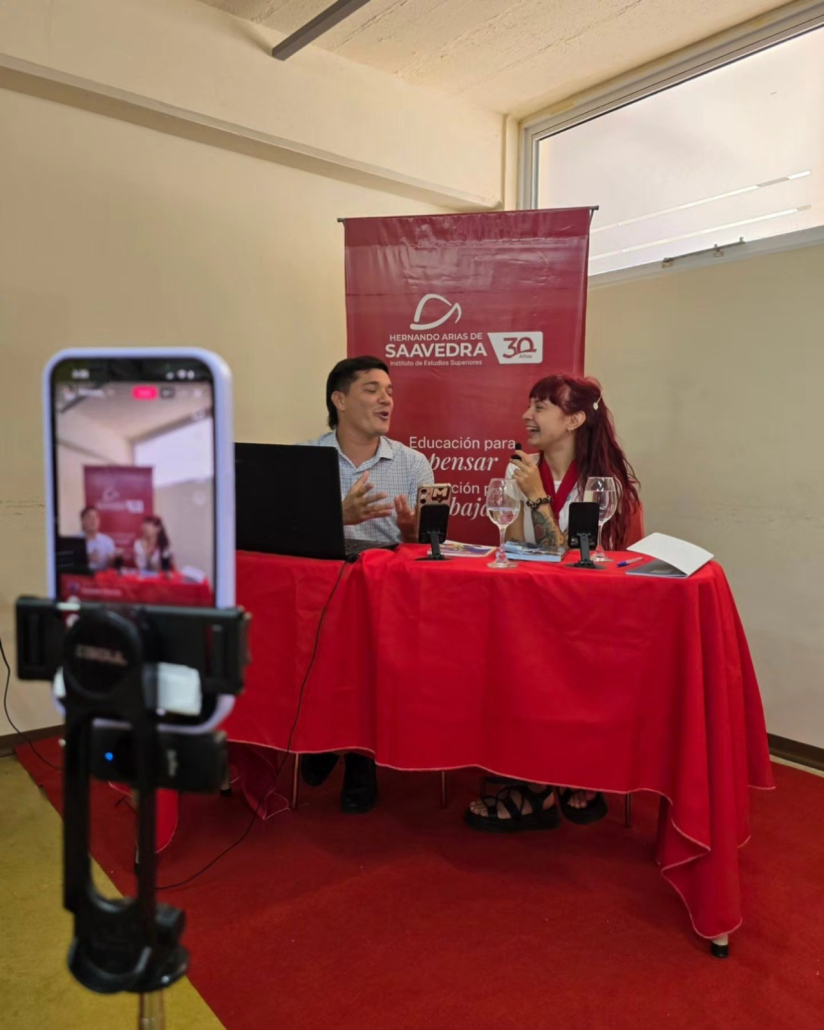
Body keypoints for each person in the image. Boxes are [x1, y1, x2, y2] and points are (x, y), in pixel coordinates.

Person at [465, 372, 644, 833]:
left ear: (574, 420)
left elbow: (580, 562)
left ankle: (569, 771)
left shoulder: (605, 485)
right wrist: (530, 493)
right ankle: (537, 784)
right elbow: (518, 549)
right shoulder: (521, 471)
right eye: (529, 405)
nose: (526, 415)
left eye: (540, 407)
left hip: (590, 622)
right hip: (531, 615)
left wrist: (538, 498)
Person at [300, 355, 435, 813]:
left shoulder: (413, 464)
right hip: (322, 590)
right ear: (339, 400)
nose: (386, 400)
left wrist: (413, 532)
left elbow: (428, 549)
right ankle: (326, 737)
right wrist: (336, 517)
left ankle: (358, 755)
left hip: (386, 592)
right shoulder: (306, 460)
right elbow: (287, 534)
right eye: (373, 389)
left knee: (369, 649)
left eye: (390, 392)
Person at [80, 505, 116, 571]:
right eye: (89, 517)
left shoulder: (107, 541)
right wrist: (85, 559)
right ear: (83, 521)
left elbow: (112, 567)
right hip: (79, 576)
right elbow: (66, 564)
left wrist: (112, 561)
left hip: (100, 576)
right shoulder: (73, 540)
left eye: (96, 517)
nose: (93, 520)